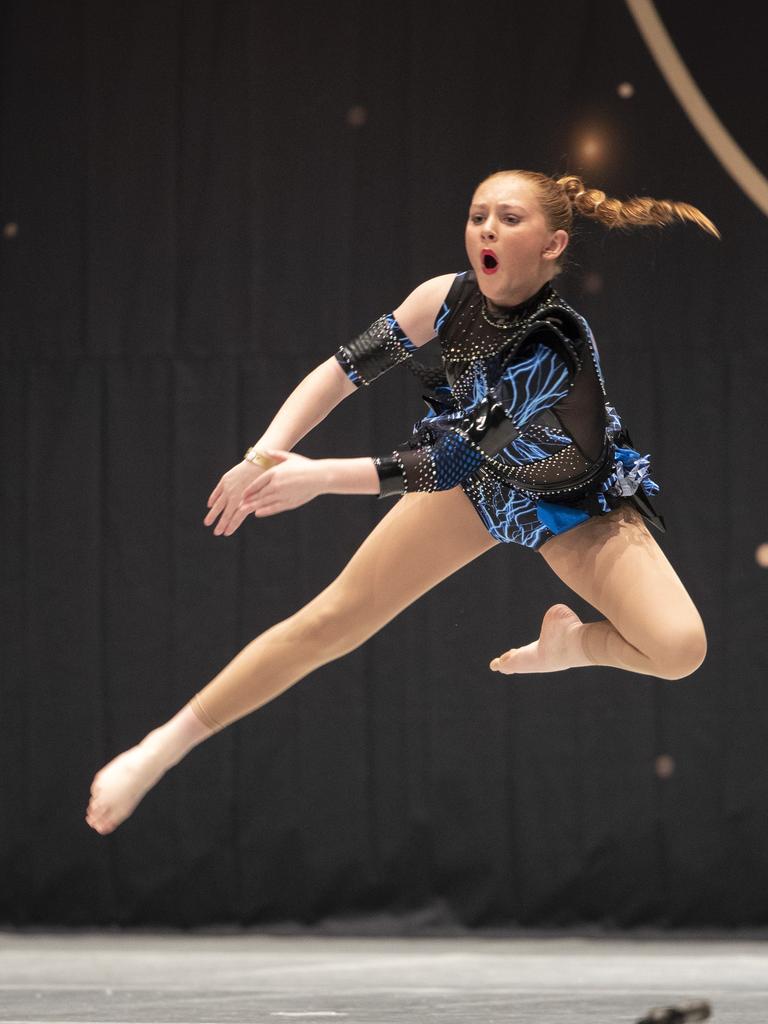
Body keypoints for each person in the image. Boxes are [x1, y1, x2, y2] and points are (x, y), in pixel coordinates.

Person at [85, 170, 718, 836]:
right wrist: (263, 454)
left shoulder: (553, 343)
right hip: (484, 490)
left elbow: (451, 459)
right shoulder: (441, 301)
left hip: (570, 504)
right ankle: (161, 749)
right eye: (478, 217)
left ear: (553, 244)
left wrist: (320, 477)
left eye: (508, 218)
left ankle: (570, 646)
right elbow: (338, 375)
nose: (487, 231)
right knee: (330, 621)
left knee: (679, 649)